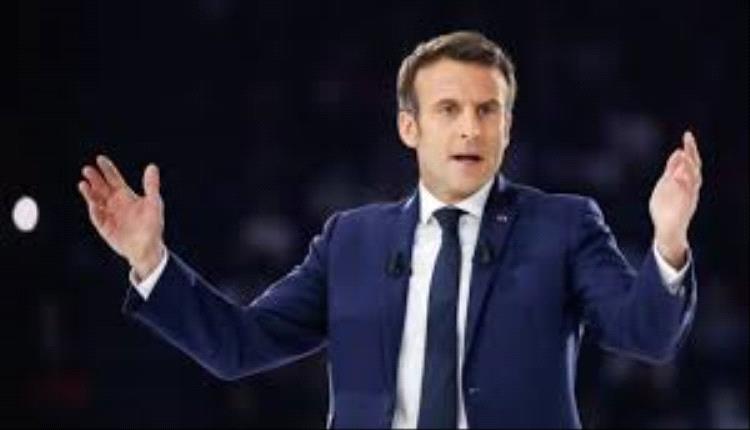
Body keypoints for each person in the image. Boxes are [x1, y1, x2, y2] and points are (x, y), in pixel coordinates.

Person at [77, 31, 702, 428]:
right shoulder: (351, 241)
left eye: (488, 111)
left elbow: (646, 336)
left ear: (508, 127)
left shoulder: (563, 226)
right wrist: (151, 261)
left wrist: (669, 239)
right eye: (449, 109)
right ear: (410, 128)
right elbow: (238, 347)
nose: (471, 128)